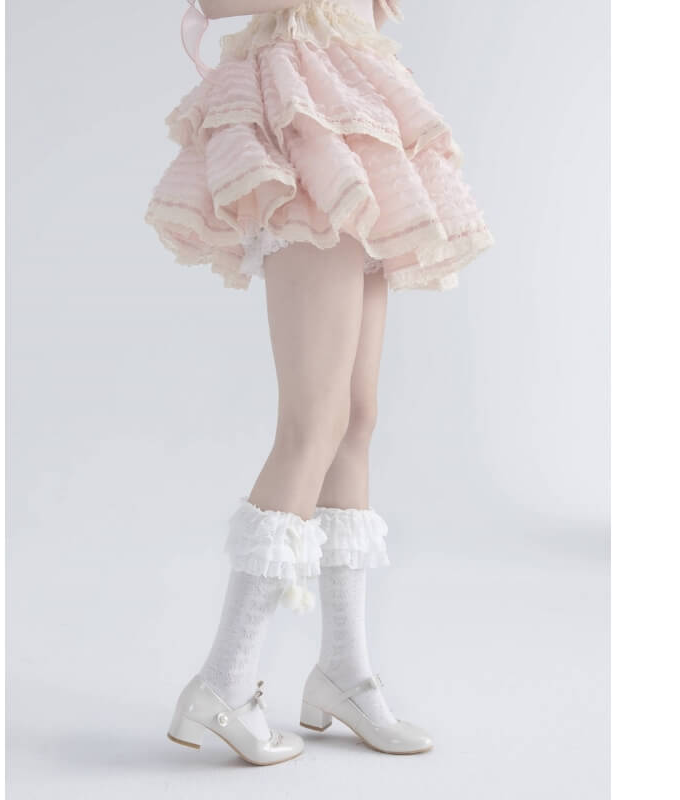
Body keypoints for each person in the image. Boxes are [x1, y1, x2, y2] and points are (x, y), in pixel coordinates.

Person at [145, 0, 493, 765]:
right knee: (313, 421)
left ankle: (343, 670)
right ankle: (224, 680)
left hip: (357, 104)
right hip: (302, 118)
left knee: (356, 418)